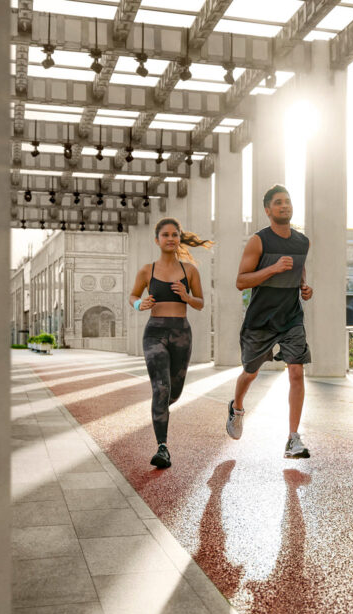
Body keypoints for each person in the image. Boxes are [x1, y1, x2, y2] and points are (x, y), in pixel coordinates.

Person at [226, 185, 313, 459]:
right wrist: (273, 268)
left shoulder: (302, 242)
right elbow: (241, 281)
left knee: (296, 372)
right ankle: (237, 407)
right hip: (260, 321)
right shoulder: (258, 241)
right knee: (250, 372)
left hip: (291, 319)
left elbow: (299, 269)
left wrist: (304, 287)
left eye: (287, 202)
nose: (284, 206)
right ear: (268, 210)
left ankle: (293, 438)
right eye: (278, 203)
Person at [129, 217, 211, 469]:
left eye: (175, 234)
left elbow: (200, 303)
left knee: (173, 392)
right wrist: (139, 304)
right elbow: (133, 294)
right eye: (165, 234)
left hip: (181, 334)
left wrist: (186, 296)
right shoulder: (147, 270)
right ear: (157, 240)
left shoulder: (190, 271)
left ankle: (160, 408)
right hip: (154, 332)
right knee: (161, 389)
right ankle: (162, 447)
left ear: (179, 239)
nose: (170, 238)